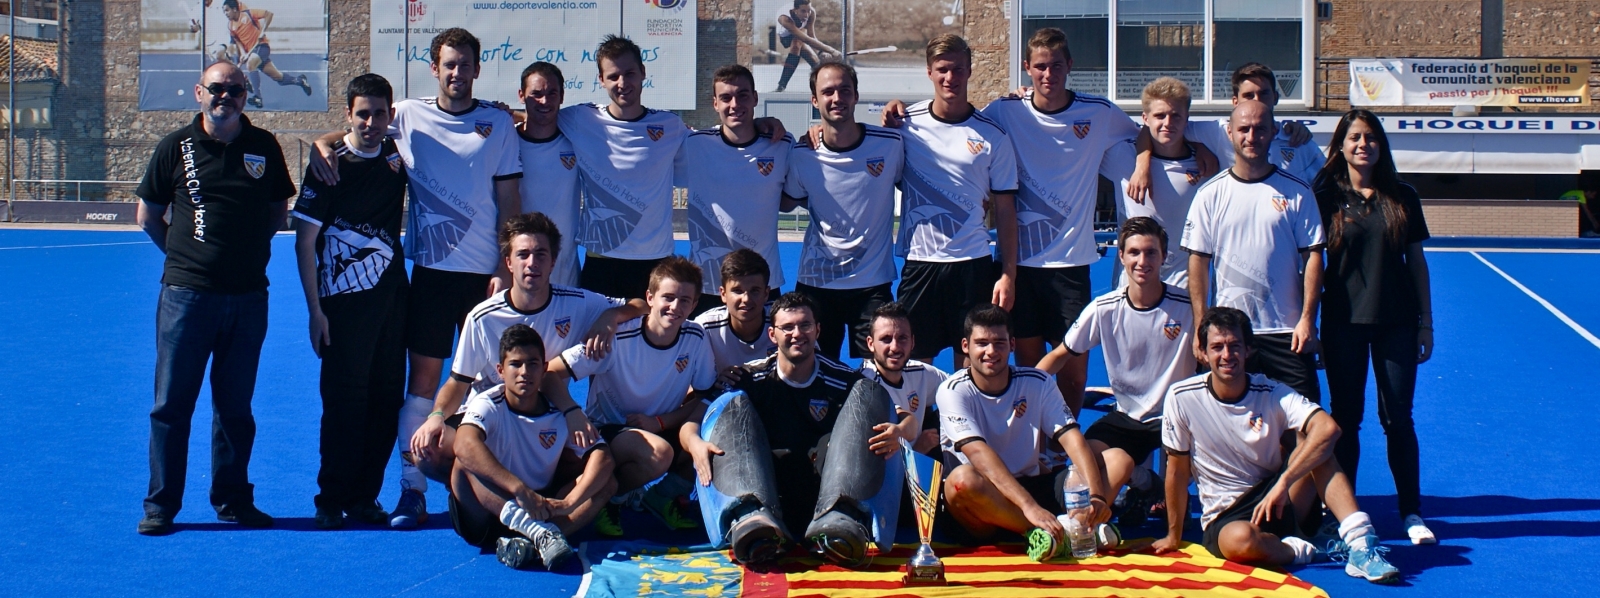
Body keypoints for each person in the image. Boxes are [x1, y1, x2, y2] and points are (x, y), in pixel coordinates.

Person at [310, 29, 524, 528]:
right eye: (449, 64)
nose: (457, 72)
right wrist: (322, 143)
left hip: (484, 281)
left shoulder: (497, 123)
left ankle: (493, 481)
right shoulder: (406, 114)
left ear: (477, 68)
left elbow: (510, 201)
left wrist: (503, 267)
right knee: (422, 385)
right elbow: (354, 129)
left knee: (492, 383)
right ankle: (412, 489)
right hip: (429, 275)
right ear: (434, 68)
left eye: (465, 64)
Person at [135, 61, 296, 535]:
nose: (226, 96)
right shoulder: (175, 147)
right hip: (187, 299)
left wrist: (244, 256)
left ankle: (232, 500)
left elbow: (277, 211)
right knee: (171, 405)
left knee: (235, 409)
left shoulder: (264, 146)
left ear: (246, 96)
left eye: (236, 90)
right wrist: (186, 258)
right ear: (199, 92)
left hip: (247, 299)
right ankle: (161, 505)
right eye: (217, 88)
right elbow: (148, 215)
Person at [404, 213, 645, 526]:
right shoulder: (482, 316)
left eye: (541, 254)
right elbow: (457, 381)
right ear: (509, 262)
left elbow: (642, 305)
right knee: (428, 451)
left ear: (554, 261)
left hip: (545, 417)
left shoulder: (577, 303)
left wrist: (610, 317)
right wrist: (436, 417)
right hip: (491, 421)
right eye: (523, 254)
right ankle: (499, 503)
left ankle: (540, 517)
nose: (532, 263)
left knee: (601, 472)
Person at [1154, 307, 1401, 584]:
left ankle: (1361, 545)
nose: (1227, 355)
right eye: (1217, 347)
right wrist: (1173, 534)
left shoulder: (1272, 391)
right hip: (1225, 517)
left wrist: (1284, 482)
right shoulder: (1181, 397)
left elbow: (1328, 429)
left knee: (1318, 445)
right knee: (1240, 541)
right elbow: (1176, 471)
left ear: (1248, 350)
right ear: (1203, 352)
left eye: (1235, 346)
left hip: (1278, 500)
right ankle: (1304, 550)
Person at [973, 28, 1139, 414]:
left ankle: (1063, 441)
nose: (1049, 74)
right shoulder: (1005, 111)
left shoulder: (1099, 113)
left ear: (1070, 66)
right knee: (1030, 369)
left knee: (1074, 373)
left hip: (1071, 266)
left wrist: (1147, 160)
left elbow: (1148, 135)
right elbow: (962, 129)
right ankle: (1034, 442)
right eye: (1041, 67)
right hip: (1020, 267)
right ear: (1027, 68)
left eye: (1057, 66)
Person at [682, 292, 902, 567]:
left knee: (870, 395)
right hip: (766, 487)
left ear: (817, 330)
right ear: (772, 335)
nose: (797, 334)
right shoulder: (747, 376)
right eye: (787, 327)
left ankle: (843, 519)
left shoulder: (843, 378)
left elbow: (902, 416)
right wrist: (694, 443)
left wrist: (901, 431)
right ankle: (751, 518)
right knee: (731, 403)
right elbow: (693, 422)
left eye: (805, 325)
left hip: (826, 491)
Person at [1313, 110, 1437, 545]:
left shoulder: (1403, 196)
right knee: (1346, 420)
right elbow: (1309, 262)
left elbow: (1416, 262)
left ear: (1381, 145)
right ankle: (1342, 514)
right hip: (1343, 323)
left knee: (1398, 419)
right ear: (1341, 146)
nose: (1362, 144)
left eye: (1370, 137)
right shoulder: (1324, 196)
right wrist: (1310, 324)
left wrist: (1426, 323)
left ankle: (1411, 512)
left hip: (1397, 324)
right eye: (1354, 138)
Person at [290, 74, 409, 529]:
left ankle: (364, 497)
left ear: (390, 115)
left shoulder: (396, 156)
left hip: (392, 304)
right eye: (362, 114)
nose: (371, 123)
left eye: (379, 114)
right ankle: (331, 498)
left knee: (385, 402)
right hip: (342, 308)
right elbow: (304, 243)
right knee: (343, 404)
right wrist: (314, 311)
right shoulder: (329, 165)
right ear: (348, 115)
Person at [1037, 217, 1196, 528]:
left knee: (1176, 504)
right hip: (1127, 418)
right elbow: (1058, 356)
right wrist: (1022, 391)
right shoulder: (1104, 308)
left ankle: (1149, 494)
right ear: (1121, 256)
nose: (1142, 261)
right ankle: (1135, 488)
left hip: (1177, 417)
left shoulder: (1188, 306)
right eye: (1134, 252)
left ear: (1164, 257)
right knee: (1087, 463)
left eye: (1151, 253)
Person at [546, 257, 718, 536]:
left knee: (713, 434)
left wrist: (661, 422)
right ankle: (609, 497)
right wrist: (572, 412)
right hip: (609, 430)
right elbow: (550, 373)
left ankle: (658, 497)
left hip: (659, 426)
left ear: (695, 304)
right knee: (658, 454)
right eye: (668, 297)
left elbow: (703, 395)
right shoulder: (616, 337)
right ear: (650, 297)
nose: (675, 307)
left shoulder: (695, 337)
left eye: (685, 300)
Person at [878, 35, 1018, 367]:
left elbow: (1005, 211)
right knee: (914, 367)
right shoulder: (904, 125)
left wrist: (1008, 274)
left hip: (973, 265)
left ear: (969, 70)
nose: (950, 78)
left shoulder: (993, 135)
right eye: (942, 69)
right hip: (920, 263)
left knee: (972, 368)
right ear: (929, 72)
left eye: (957, 69)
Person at [939, 304, 1112, 561]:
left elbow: (1072, 438)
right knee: (961, 481)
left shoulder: (1037, 381)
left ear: (1012, 344)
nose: (991, 351)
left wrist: (1096, 496)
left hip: (1031, 485)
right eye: (982, 343)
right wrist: (1029, 507)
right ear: (966, 346)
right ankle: (1056, 532)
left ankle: (1079, 524)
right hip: (985, 499)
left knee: (1117, 460)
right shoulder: (953, 390)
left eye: (999, 343)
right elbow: (977, 453)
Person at [1182, 100, 1325, 402]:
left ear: (1273, 132)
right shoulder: (1209, 194)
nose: (1251, 137)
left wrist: (1308, 320)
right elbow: (1198, 263)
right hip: (1230, 335)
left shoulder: (1298, 191)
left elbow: (1313, 257)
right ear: (1230, 132)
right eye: (1244, 129)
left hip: (1288, 333)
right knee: (1229, 422)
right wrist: (1201, 326)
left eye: (1260, 129)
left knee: (1307, 423)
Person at [450, 324, 616, 571]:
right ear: (500, 370)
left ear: (545, 368)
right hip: (490, 508)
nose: (524, 372)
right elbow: (463, 443)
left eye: (532, 364)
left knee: (607, 482)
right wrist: (518, 489)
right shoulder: (489, 403)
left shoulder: (560, 411)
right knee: (463, 462)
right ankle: (539, 533)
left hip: (540, 506)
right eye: (515, 364)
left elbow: (603, 457)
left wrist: (569, 503)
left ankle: (533, 543)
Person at [783, 61, 903, 361]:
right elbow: (787, 201)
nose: (837, 98)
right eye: (828, 92)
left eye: (845, 90)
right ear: (814, 100)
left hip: (872, 285)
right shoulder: (803, 154)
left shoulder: (890, 144)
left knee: (879, 375)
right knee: (814, 373)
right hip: (817, 285)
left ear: (856, 96)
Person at [558, 35, 685, 300]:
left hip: (656, 260)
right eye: (613, 76)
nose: (622, 83)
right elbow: (536, 118)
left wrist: (760, 124)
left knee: (654, 328)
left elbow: (717, 141)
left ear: (643, 73)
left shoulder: (670, 125)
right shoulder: (581, 119)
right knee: (597, 329)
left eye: (629, 74)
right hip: (602, 261)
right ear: (601, 79)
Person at [679, 64, 792, 313]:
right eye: (726, 98)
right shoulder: (694, 144)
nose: (734, 104)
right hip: (707, 283)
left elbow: (792, 197)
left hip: (762, 282)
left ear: (755, 98)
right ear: (715, 103)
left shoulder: (782, 144)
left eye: (742, 95)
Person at [1132, 63, 1322, 199]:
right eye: (1248, 95)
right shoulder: (1217, 132)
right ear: (1235, 101)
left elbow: (1326, 188)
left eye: (1264, 93)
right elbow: (1157, 129)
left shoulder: (1298, 140)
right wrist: (1142, 167)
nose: (1257, 100)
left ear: (1276, 97)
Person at [1105, 77, 1204, 287]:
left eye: (1176, 116)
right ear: (1145, 118)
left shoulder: (1206, 163)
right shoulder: (1122, 156)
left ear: (1187, 118)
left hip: (1182, 285)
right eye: (1160, 116)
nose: (1168, 123)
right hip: (1130, 285)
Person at [515, 61, 583, 287]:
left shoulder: (576, 141)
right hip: (519, 269)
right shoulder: (506, 142)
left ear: (562, 97)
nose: (544, 101)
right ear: (521, 95)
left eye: (552, 93)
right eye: (536, 94)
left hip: (565, 274)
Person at [860, 302, 947, 456]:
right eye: (886, 339)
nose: (895, 347)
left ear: (912, 342)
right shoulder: (863, 384)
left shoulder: (918, 371)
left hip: (916, 458)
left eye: (902, 338)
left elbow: (960, 388)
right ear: (870, 344)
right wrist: (919, 449)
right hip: (884, 465)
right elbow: (909, 424)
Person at [694, 248, 777, 385]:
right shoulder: (704, 328)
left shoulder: (783, 322)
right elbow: (684, 382)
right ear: (723, 294)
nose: (746, 299)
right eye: (737, 291)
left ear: (766, 293)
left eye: (754, 291)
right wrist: (712, 384)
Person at [215, 0, 312, 108]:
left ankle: (258, 97)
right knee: (278, 77)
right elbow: (237, 41)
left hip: (262, 47)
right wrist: (243, 53)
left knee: (251, 64)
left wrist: (263, 31)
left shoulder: (249, 13)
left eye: (227, 10)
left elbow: (269, 14)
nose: (225, 13)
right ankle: (300, 81)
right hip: (251, 52)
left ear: (234, 9)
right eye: (224, 11)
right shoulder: (230, 26)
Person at [772, 0, 837, 93]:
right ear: (795, 10)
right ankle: (782, 85)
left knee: (812, 59)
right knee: (798, 42)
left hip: (800, 35)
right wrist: (831, 51)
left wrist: (821, 53)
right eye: (803, 11)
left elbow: (811, 36)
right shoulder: (784, 18)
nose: (807, 15)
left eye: (808, 11)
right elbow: (806, 39)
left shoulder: (811, 13)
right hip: (785, 38)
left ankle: (781, 86)